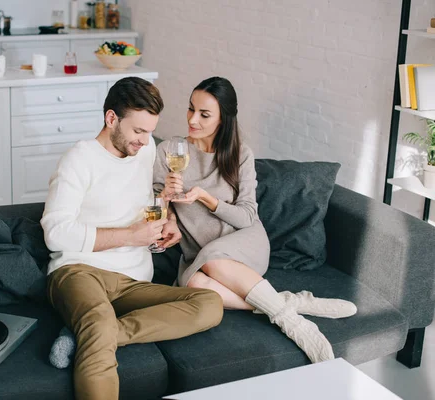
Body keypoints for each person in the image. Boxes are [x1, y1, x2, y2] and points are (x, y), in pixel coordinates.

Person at [41, 77, 224, 400]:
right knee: (96, 322)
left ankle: (94, 333)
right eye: (138, 131)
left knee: (209, 304)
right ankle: (95, 330)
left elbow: (144, 201)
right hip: (79, 271)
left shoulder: (146, 149)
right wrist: (128, 235)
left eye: (150, 131)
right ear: (111, 119)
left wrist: (166, 219)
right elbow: (55, 233)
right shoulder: (79, 159)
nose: (144, 141)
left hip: (132, 280)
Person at [153, 77, 356, 364]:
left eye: (204, 114)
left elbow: (248, 216)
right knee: (195, 286)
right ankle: (289, 302)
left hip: (243, 243)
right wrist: (169, 209)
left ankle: (294, 325)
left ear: (223, 119)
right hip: (198, 252)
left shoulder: (239, 155)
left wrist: (206, 198)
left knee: (212, 259)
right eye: (190, 109)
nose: (192, 119)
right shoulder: (169, 151)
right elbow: (157, 201)